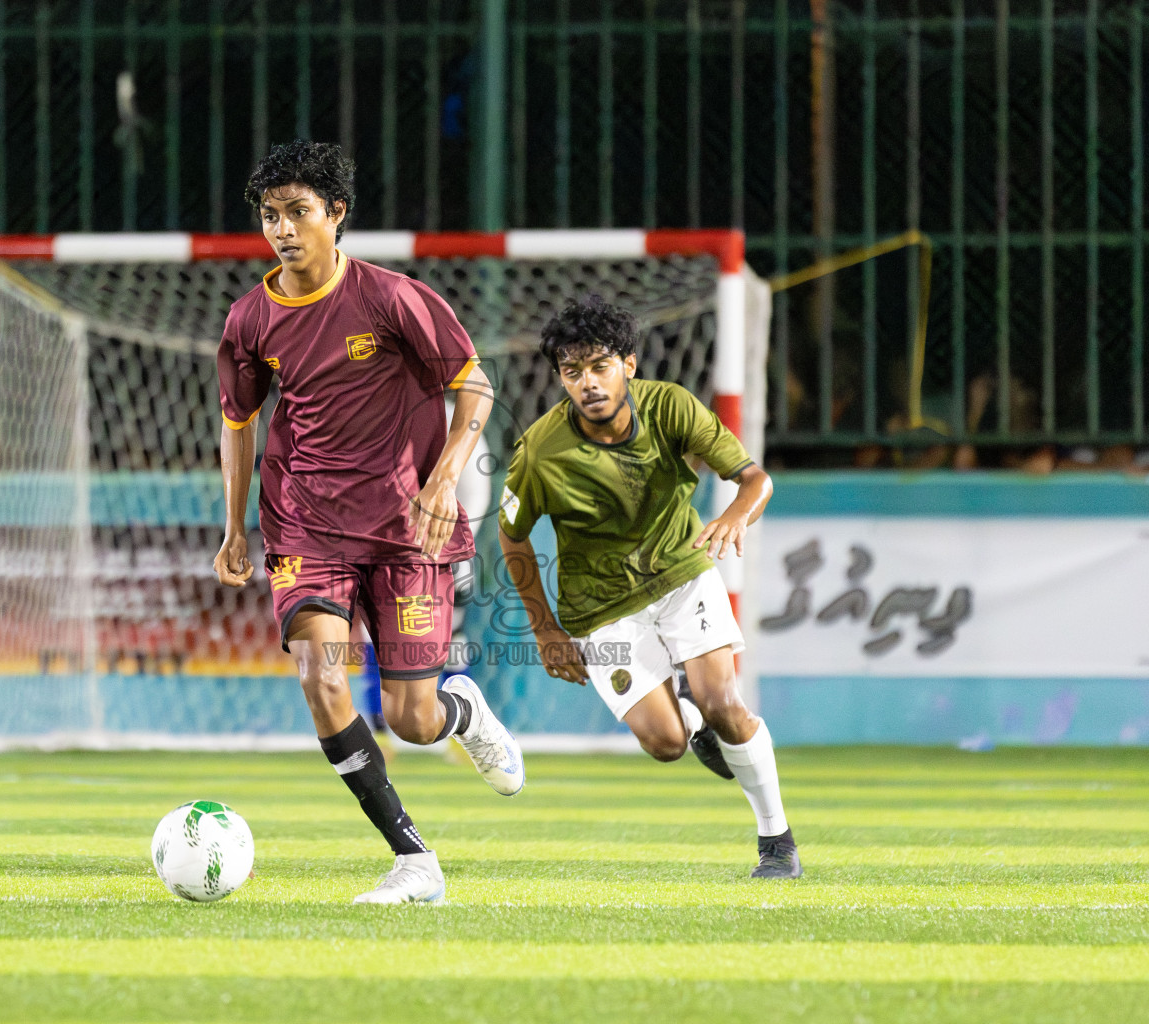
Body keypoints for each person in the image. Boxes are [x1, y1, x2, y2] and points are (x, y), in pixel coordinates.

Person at [212, 140, 524, 904]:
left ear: (337, 215)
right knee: (321, 678)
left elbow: (473, 386)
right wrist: (233, 526)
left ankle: (461, 710)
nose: (282, 229)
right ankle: (413, 859)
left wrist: (445, 478)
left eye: (298, 212)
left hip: (405, 527)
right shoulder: (251, 317)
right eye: (270, 215)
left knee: (413, 721)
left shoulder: (393, 298)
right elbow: (238, 421)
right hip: (305, 526)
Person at [497, 296, 801, 878]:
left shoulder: (671, 408)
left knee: (727, 704)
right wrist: (545, 632)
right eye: (572, 371)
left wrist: (738, 513)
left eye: (599, 365)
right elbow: (512, 539)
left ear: (629, 365)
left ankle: (776, 840)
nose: (587, 382)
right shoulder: (539, 450)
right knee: (665, 743)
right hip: (600, 608)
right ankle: (689, 722)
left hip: (683, 576)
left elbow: (754, 478)